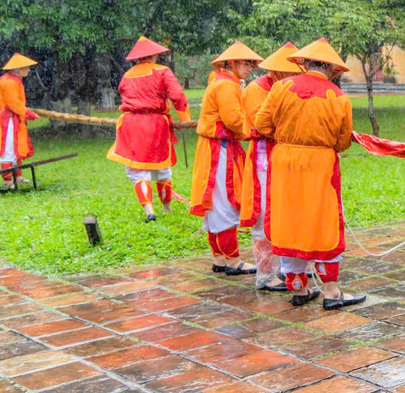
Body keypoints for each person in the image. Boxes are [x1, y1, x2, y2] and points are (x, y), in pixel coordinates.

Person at [250, 38, 363, 311]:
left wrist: (289, 136)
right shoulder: (338, 97)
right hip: (320, 163)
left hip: (285, 162)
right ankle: (332, 291)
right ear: (331, 68)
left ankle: (299, 286)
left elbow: (261, 123)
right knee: (322, 221)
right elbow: (343, 140)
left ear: (305, 63)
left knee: (290, 219)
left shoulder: (280, 88)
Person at [190, 41, 261, 275]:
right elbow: (234, 120)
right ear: (232, 63)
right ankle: (232, 261)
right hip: (219, 149)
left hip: (215, 147)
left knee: (215, 203)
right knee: (224, 202)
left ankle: (220, 258)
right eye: (246, 63)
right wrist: (255, 133)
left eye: (252, 63)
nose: (251, 67)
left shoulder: (221, 81)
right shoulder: (227, 86)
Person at [108, 36, 191, 220]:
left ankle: (149, 212)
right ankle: (167, 208)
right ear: (154, 55)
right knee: (161, 167)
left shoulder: (127, 75)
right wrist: (185, 119)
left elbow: (124, 93)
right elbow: (177, 95)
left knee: (138, 172)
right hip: (155, 125)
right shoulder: (163, 71)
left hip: (130, 124)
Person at [241, 43, 302, 291]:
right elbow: (262, 125)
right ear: (277, 71)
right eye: (290, 72)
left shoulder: (291, 87)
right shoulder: (258, 90)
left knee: (288, 213)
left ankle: (289, 268)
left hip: (288, 157)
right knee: (264, 214)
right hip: (265, 157)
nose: (295, 76)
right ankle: (265, 274)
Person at [0, 54, 39, 191]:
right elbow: (13, 103)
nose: (28, 70)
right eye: (26, 68)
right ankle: (7, 181)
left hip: (12, 117)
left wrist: (24, 112)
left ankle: (17, 176)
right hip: (7, 119)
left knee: (16, 147)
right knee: (8, 149)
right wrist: (28, 113)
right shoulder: (9, 82)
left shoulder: (14, 80)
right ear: (18, 69)